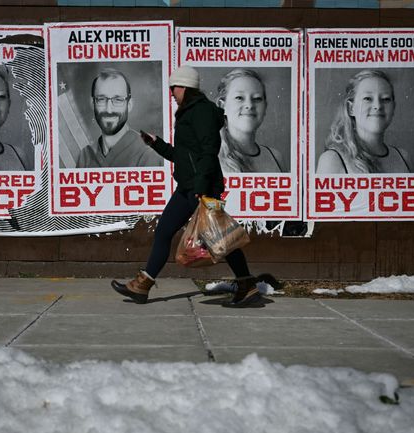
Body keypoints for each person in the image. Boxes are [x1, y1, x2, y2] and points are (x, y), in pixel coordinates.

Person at [111, 66, 274, 308]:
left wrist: (200, 187)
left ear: (184, 87)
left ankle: (143, 285)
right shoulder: (189, 111)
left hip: (199, 186)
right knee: (219, 238)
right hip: (192, 184)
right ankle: (246, 285)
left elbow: (209, 150)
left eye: (173, 88)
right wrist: (157, 145)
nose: (171, 93)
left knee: (208, 236)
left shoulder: (201, 112)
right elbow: (184, 156)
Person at [316, 70, 411, 174]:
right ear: (351, 108)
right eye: (368, 98)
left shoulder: (403, 157)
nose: (378, 106)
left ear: (393, 107)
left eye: (386, 99)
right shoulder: (333, 160)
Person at [75, 69, 163, 168]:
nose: (109, 110)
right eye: (101, 99)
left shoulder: (149, 155)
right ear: (93, 104)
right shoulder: (85, 156)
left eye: (118, 100)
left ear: (129, 105)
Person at [216, 68, 283, 173]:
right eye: (239, 98)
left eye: (257, 98)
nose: (249, 105)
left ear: (265, 107)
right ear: (222, 106)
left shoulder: (276, 157)